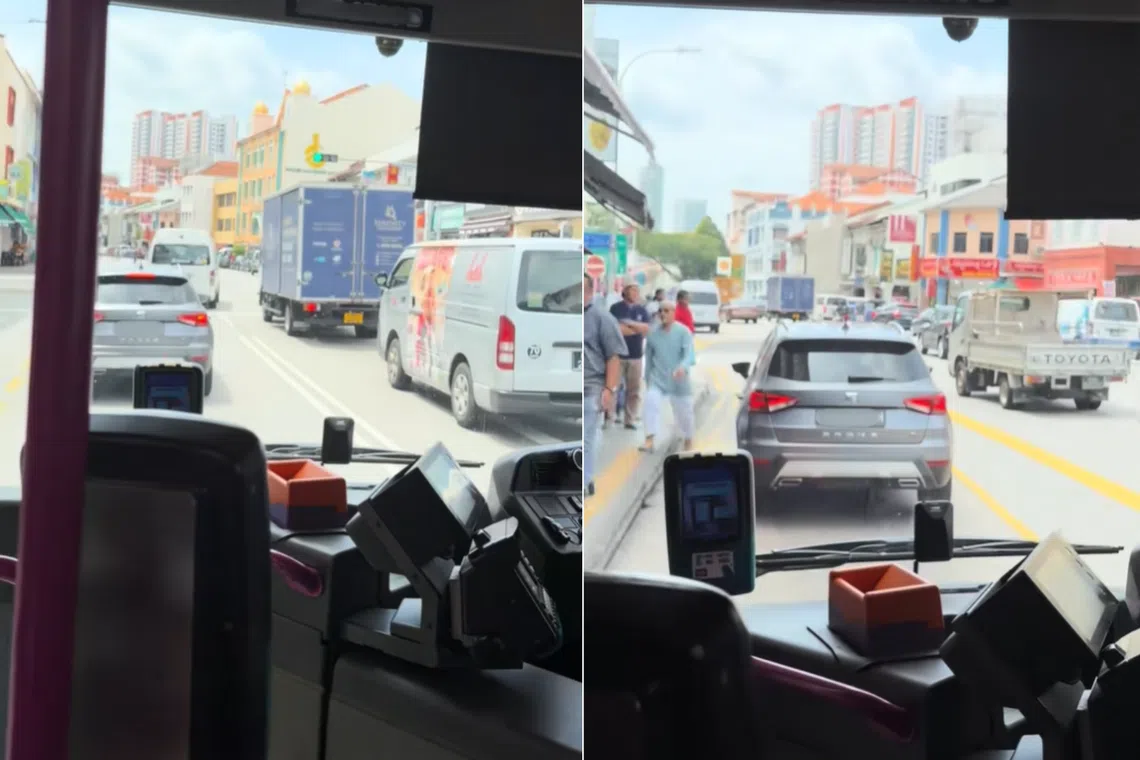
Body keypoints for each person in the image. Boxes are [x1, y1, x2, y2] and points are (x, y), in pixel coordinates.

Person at [583, 274, 627, 497]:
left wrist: (609, 390)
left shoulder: (602, 319)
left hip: (592, 386)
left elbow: (613, 357)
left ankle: (584, 481)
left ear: (590, 292)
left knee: (587, 436)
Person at [640, 300, 695, 453]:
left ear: (673, 313)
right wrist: (647, 380)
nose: (663, 314)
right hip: (658, 380)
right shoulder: (653, 334)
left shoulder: (684, 332)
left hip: (679, 382)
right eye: (661, 311)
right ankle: (649, 439)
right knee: (651, 402)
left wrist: (682, 368)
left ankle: (688, 439)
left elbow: (689, 356)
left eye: (666, 311)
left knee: (685, 413)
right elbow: (649, 359)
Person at [608, 284, 650, 429]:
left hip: (635, 355)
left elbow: (646, 329)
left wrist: (629, 325)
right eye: (632, 290)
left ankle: (630, 419)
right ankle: (610, 417)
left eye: (637, 291)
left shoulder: (642, 310)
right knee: (614, 387)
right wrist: (635, 328)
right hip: (618, 355)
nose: (635, 293)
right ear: (625, 292)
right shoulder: (615, 308)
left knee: (634, 390)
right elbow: (615, 329)